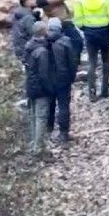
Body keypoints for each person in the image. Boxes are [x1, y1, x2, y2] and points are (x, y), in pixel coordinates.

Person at [23, 21, 57, 155]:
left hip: (30, 86)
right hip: (41, 89)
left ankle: (33, 144)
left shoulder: (28, 46)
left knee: (33, 117)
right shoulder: (42, 51)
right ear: (44, 32)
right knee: (41, 118)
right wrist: (50, 89)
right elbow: (44, 74)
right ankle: (38, 148)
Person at [46, 17, 79, 145]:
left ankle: (48, 128)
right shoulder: (66, 42)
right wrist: (72, 77)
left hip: (49, 79)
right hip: (63, 79)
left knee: (50, 104)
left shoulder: (44, 41)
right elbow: (73, 62)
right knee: (64, 106)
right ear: (60, 28)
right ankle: (63, 134)